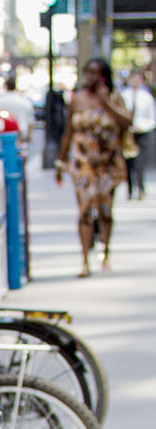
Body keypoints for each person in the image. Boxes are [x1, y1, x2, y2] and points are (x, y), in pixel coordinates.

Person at [55, 57, 131, 276]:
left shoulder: (114, 97)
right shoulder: (77, 99)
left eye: (96, 72)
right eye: (88, 72)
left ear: (105, 75)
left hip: (107, 161)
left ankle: (105, 253)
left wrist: (107, 103)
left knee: (106, 211)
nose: (91, 77)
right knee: (85, 210)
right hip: (83, 162)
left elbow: (127, 122)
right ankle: (85, 261)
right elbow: (68, 133)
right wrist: (60, 163)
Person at [121, 69, 155, 199]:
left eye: (137, 79)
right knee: (128, 163)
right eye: (133, 79)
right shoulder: (124, 95)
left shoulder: (147, 97)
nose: (135, 82)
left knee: (139, 162)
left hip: (142, 133)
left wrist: (142, 126)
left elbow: (152, 118)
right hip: (127, 134)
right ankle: (129, 189)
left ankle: (140, 188)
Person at [0, 72, 35, 160]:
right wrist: (29, 136)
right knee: (21, 159)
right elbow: (31, 122)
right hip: (20, 135)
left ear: (5, 86)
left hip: (2, 134)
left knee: (3, 159)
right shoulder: (24, 101)